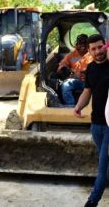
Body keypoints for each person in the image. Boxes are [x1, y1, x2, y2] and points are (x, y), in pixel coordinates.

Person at [73, 34, 109, 207]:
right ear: (89, 51)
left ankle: (91, 202)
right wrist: (78, 106)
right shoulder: (91, 69)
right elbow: (87, 91)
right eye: (93, 48)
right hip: (96, 126)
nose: (97, 51)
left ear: (105, 46)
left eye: (100, 47)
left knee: (103, 166)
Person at [58, 34, 92, 106]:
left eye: (84, 43)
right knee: (65, 85)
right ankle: (70, 106)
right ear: (77, 44)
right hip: (74, 80)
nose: (82, 46)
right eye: (80, 43)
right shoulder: (70, 55)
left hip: (90, 81)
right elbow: (62, 65)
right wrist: (63, 69)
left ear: (88, 45)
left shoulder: (92, 54)